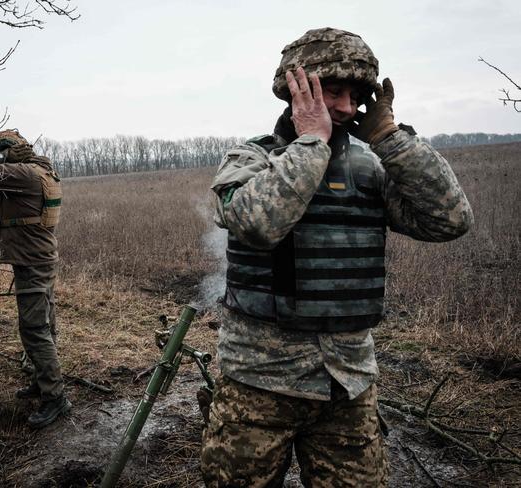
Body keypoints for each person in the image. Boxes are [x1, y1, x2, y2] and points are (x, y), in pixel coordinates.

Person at [201, 27, 473, 487]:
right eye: (333, 92)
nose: (347, 107)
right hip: (257, 381)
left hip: (347, 383)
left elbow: (448, 220)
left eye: (355, 96)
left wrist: (390, 138)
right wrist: (312, 143)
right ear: (296, 91)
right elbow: (256, 222)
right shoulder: (251, 159)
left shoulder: (371, 167)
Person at [0, 129, 71, 429]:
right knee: (44, 325)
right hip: (38, 258)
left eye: (1, 152)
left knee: (34, 329)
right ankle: (42, 384)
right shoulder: (40, 169)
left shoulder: (24, 175)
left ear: (7, 152)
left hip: (33, 262)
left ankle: (55, 399)